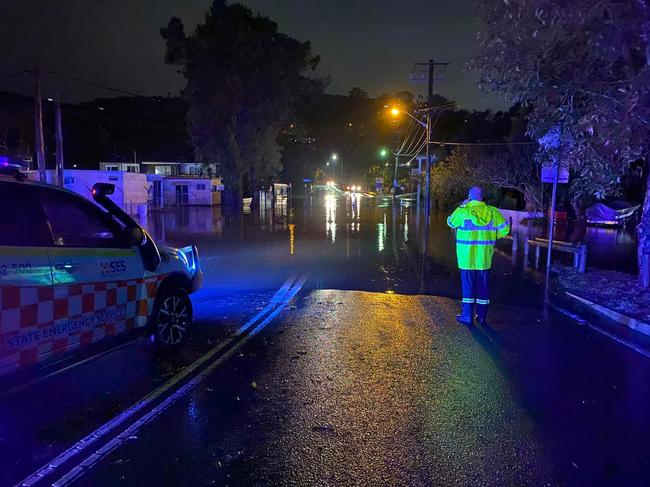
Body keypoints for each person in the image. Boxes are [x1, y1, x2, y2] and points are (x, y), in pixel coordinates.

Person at [446, 186, 510, 326]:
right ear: (482, 196)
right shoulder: (493, 212)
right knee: (483, 287)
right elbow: (505, 230)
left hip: (466, 257)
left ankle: (466, 316)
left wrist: (461, 206)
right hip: (484, 258)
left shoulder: (464, 211)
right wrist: (493, 235)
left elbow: (450, 222)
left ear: (469, 196)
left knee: (468, 286)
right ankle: (481, 317)